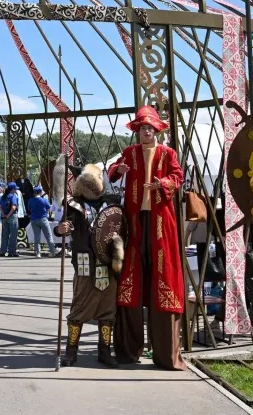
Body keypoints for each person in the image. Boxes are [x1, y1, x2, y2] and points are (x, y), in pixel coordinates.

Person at [108, 105, 186, 371]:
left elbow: (177, 176)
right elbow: (113, 170)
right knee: (131, 272)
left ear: (156, 131)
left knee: (162, 271)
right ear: (137, 131)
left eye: (150, 129)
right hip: (134, 219)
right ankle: (128, 349)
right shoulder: (130, 152)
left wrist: (161, 184)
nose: (146, 132)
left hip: (161, 219)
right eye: (142, 128)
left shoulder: (167, 153)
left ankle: (164, 352)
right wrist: (119, 169)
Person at [55, 160, 122, 368]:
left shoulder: (111, 203)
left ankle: (104, 351)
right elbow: (63, 226)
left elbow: (119, 225)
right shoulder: (74, 205)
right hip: (85, 264)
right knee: (79, 308)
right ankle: (71, 351)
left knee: (107, 310)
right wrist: (61, 229)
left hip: (107, 263)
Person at [28, 186, 56, 258]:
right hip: (43, 219)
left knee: (37, 237)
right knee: (48, 236)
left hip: (34, 220)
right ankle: (52, 252)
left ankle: (38, 253)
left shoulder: (30, 200)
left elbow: (29, 209)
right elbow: (49, 208)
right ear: (40, 192)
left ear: (34, 193)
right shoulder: (44, 200)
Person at [0, 182, 20, 257]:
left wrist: (4, 215)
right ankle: (12, 252)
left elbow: (0, 207)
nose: (16, 190)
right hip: (12, 217)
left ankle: (3, 251)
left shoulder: (3, 196)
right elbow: (13, 208)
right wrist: (8, 215)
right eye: (15, 189)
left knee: (4, 235)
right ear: (13, 189)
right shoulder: (13, 196)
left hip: (4, 217)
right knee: (13, 235)